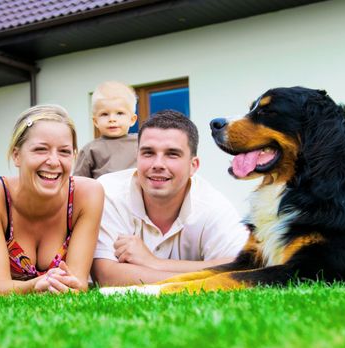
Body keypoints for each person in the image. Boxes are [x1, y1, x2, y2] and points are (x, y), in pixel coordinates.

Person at [0, 104, 104, 294]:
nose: (54, 161)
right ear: (16, 155)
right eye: (41, 150)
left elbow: (77, 283)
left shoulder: (88, 193)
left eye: (64, 152)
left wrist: (65, 286)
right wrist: (36, 285)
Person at [91, 110, 249, 286]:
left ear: (193, 166)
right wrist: (207, 277)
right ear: (137, 158)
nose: (158, 164)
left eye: (172, 154)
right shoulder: (108, 192)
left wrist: (154, 263)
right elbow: (107, 275)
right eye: (148, 153)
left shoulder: (212, 205)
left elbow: (241, 268)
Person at [74, 81, 138, 178]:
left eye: (120, 113)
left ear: (132, 119)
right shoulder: (90, 150)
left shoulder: (141, 143)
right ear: (95, 121)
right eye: (104, 114)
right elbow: (78, 183)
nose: (112, 119)